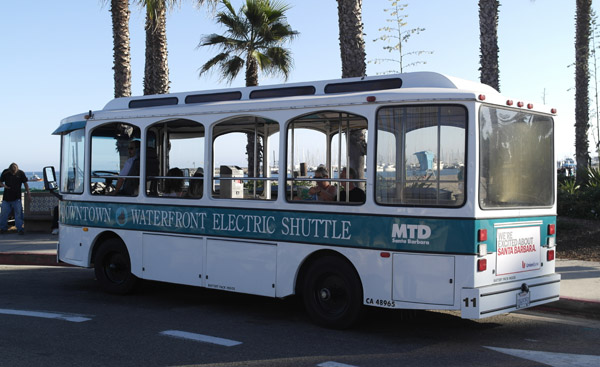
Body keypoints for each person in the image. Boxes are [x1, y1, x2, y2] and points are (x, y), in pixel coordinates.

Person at [0, 163, 31, 235]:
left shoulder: (21, 173)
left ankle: (20, 229)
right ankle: (3, 228)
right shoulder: (5, 172)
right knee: (4, 214)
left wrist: (28, 194)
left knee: (18, 214)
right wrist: (4, 186)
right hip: (6, 198)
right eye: (12, 172)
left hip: (17, 197)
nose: (13, 173)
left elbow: (25, 183)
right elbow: (0, 182)